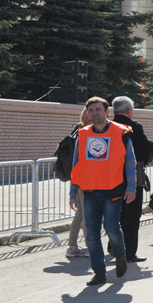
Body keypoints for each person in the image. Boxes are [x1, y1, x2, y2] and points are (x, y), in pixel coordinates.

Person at [69, 97, 137, 286]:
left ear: (107, 112)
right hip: (89, 191)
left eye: (98, 109)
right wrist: (72, 193)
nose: (95, 113)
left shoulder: (121, 132)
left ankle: (121, 256)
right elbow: (77, 165)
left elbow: (130, 161)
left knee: (112, 228)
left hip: (112, 190)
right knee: (92, 234)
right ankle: (99, 272)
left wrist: (131, 187)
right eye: (91, 110)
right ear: (87, 113)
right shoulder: (82, 134)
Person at [111, 96, 153, 264]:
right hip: (132, 176)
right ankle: (129, 252)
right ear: (129, 111)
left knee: (116, 214)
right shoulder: (133, 126)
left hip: (112, 177)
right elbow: (146, 147)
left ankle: (114, 246)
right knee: (131, 215)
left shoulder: (109, 127)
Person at [65, 108, 93, 258]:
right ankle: (89, 247)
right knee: (86, 216)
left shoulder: (79, 132)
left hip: (80, 179)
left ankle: (72, 246)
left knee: (80, 214)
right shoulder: (86, 134)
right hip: (85, 179)